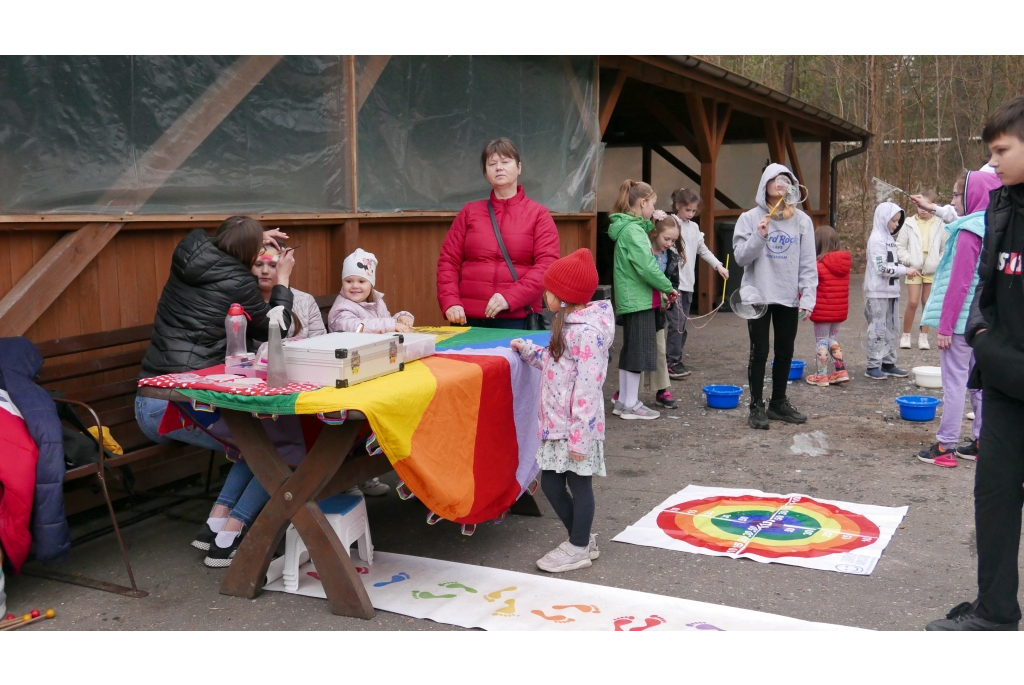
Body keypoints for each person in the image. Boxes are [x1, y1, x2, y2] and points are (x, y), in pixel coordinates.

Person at [135, 217, 295, 565]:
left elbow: (222, 242)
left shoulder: (189, 249)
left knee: (255, 442)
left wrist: (250, 237)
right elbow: (274, 329)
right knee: (278, 448)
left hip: (151, 396)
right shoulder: (238, 280)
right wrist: (282, 280)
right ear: (246, 252)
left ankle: (215, 528)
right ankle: (232, 535)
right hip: (177, 406)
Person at [927, 96, 1024, 631]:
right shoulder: (1001, 208)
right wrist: (981, 334)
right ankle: (995, 613)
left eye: (1002, 151)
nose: (994, 163)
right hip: (1005, 383)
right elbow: (984, 289)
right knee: (994, 498)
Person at [511, 248, 612, 573]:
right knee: (553, 485)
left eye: (550, 289)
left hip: (575, 431)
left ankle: (578, 546)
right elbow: (555, 364)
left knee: (579, 486)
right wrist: (529, 351)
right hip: (555, 427)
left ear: (565, 297)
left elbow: (587, 389)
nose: (544, 293)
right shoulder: (566, 326)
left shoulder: (587, 335)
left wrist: (579, 440)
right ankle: (581, 539)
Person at [915, 170, 1001, 469]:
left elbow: (959, 283)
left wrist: (946, 326)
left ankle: (945, 445)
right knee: (979, 385)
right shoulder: (995, 227)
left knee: (955, 384)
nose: (952, 201)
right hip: (984, 324)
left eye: (955, 194)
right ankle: (981, 442)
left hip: (962, 325)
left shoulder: (968, 232)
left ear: (972, 196)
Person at [437, 137, 561, 329]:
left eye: (505, 162)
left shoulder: (539, 215)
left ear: (519, 167)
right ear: (486, 173)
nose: (499, 168)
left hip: (517, 318)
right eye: (492, 164)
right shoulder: (469, 212)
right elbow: (448, 261)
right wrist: (450, 301)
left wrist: (510, 297)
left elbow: (547, 266)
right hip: (468, 319)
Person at [733, 163, 817, 429]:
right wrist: (759, 236)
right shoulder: (749, 218)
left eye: (785, 179)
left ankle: (778, 403)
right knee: (759, 352)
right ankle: (756, 406)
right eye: (775, 179)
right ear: (765, 185)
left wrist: (808, 297)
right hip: (757, 294)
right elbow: (740, 257)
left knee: (785, 351)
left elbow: (807, 263)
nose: (780, 183)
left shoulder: (802, 220)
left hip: (787, 294)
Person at [608, 180, 676, 420]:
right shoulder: (634, 231)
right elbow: (647, 267)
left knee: (631, 352)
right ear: (642, 202)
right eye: (653, 204)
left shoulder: (630, 227)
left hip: (633, 299)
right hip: (640, 299)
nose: (654, 208)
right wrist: (668, 287)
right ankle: (630, 403)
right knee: (639, 352)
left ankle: (626, 402)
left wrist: (651, 220)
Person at [667, 188, 729, 379]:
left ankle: (676, 358)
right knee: (676, 324)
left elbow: (703, 250)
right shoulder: (670, 222)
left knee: (683, 325)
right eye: (688, 210)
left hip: (688, 285)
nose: (691, 214)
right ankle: (671, 361)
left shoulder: (693, 228)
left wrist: (718, 266)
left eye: (694, 211)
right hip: (673, 284)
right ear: (678, 206)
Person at [863, 203, 920, 380]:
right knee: (878, 328)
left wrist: (904, 268)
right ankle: (872, 364)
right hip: (877, 293)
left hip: (891, 292)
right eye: (893, 221)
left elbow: (891, 264)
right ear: (883, 219)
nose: (896, 224)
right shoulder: (877, 240)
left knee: (892, 328)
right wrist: (905, 270)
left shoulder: (889, 238)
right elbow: (881, 268)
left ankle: (888, 362)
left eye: (897, 221)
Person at [897, 189, 949, 350]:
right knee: (912, 302)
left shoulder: (940, 223)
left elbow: (945, 247)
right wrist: (909, 261)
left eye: (926, 207)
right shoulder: (909, 223)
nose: (922, 210)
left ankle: (923, 336)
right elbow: (900, 246)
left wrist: (938, 263)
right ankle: (906, 335)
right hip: (914, 268)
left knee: (927, 302)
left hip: (932, 269)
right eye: (920, 206)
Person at [328, 249, 415, 334]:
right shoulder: (342, 308)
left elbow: (385, 321)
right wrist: (391, 325)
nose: (355, 286)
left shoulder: (377, 301)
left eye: (361, 281)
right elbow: (356, 328)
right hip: (352, 347)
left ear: (371, 284)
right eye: (349, 281)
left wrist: (400, 319)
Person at [806, 226, 851, 386]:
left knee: (821, 341)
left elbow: (809, 286)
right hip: (839, 311)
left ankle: (821, 375)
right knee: (832, 338)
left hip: (823, 312)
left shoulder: (817, 266)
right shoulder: (844, 265)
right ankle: (840, 371)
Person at [647, 216, 681, 409]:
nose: (669, 244)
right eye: (666, 239)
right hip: (643, 305)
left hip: (660, 310)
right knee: (637, 349)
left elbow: (674, 281)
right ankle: (628, 391)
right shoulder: (645, 251)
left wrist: (670, 297)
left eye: (673, 241)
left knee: (660, 349)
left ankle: (662, 389)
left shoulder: (672, 257)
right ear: (655, 233)